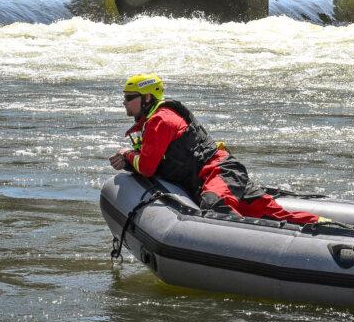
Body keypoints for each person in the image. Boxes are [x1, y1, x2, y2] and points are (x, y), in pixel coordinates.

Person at [109, 73, 319, 225]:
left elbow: (146, 167)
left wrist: (126, 154)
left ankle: (330, 229)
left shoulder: (161, 120)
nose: (124, 102)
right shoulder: (151, 122)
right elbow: (151, 162)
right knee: (273, 215)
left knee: (218, 210)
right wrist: (129, 161)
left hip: (219, 172)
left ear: (146, 98)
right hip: (210, 178)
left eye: (129, 97)